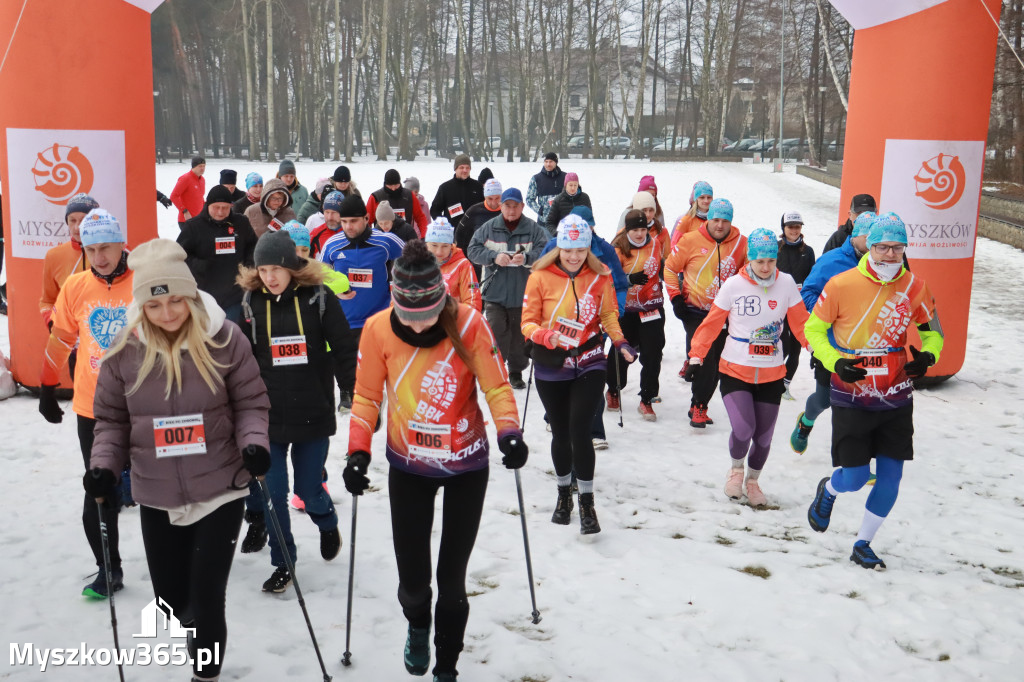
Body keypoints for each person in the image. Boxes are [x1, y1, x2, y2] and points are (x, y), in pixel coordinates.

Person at [85, 238, 271, 681]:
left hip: (220, 487)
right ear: (141, 308)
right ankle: (192, 623)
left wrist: (255, 444)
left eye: (175, 301)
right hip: (157, 491)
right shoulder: (124, 351)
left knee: (209, 598)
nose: (167, 314)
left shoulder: (224, 339)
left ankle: (204, 672)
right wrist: (104, 468)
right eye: (154, 306)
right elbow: (111, 420)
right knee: (171, 597)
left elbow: (251, 404)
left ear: (190, 296)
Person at [342, 240, 527, 682]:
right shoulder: (377, 329)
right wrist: (357, 451)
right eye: (410, 314)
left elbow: (498, 387)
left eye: (428, 314)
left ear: (441, 300)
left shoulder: (469, 323)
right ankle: (417, 625)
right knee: (413, 581)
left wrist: (509, 432)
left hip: (465, 463)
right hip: (409, 466)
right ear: (395, 301)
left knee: (451, 580)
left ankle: (447, 668)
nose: (420, 325)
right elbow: (366, 398)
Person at [805, 213, 943, 570]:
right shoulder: (841, 284)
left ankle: (863, 542)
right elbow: (814, 330)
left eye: (898, 248)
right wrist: (835, 361)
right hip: (852, 391)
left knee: (891, 477)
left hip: (897, 393)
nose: (889, 255)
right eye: (882, 247)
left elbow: (933, 333)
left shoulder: (915, 287)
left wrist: (928, 356)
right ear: (871, 245)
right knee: (853, 477)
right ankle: (830, 489)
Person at [236, 231, 349, 592]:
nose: (269, 277)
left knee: (309, 489)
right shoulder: (251, 302)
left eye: (276, 269)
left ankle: (327, 521)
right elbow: (240, 358)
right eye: (263, 269)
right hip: (267, 415)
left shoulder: (319, 298)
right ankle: (283, 562)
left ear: (291, 266)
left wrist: (352, 389)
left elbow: (345, 347)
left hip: (312, 409)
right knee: (274, 494)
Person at [37, 209, 133, 598]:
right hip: (95, 408)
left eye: (106, 247)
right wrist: (47, 387)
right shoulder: (75, 286)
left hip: (145, 405)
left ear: (121, 243)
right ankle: (108, 568)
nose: (100, 257)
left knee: (163, 491)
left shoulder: (144, 280)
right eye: (91, 249)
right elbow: (61, 339)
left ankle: (179, 563)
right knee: (99, 490)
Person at [522, 215, 635, 534]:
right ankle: (563, 496)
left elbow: (609, 314)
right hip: (551, 363)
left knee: (580, 430)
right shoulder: (540, 276)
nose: (574, 256)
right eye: (568, 249)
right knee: (560, 431)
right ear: (558, 247)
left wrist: (621, 342)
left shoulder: (601, 276)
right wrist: (545, 336)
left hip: (589, 360)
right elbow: (527, 322)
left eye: (581, 250)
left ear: (589, 247)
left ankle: (587, 502)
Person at [687, 228, 809, 506]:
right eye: (759, 262)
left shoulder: (787, 283)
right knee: (744, 429)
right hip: (735, 369)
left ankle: (753, 482)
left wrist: (817, 351)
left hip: (771, 371)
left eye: (771, 261)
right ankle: (736, 471)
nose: (766, 268)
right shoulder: (733, 286)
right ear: (749, 260)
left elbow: (801, 323)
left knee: (764, 438)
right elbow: (712, 324)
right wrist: (696, 356)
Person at [538, 205, 629, 450]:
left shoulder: (604, 250)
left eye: (588, 225)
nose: (582, 231)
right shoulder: (554, 247)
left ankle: (595, 430)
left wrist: (614, 311)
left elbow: (619, 283)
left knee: (591, 376)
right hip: (558, 333)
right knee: (560, 378)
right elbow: (540, 283)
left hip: (593, 328)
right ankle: (554, 417)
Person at [790, 211, 875, 454]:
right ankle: (806, 422)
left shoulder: (885, 265)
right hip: (831, 345)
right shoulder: (832, 261)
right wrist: (833, 314)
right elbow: (807, 294)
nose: (875, 247)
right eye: (870, 239)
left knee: (861, 404)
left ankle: (856, 459)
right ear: (856, 235)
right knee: (825, 399)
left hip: (868, 346)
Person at [665, 198, 748, 427]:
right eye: (715, 220)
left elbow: (750, 272)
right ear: (708, 218)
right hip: (695, 311)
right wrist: (675, 298)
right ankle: (700, 405)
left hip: (725, 314)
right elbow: (670, 268)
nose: (720, 225)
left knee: (719, 361)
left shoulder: (742, 243)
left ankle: (698, 403)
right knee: (704, 358)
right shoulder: (690, 240)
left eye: (725, 221)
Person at [318, 193, 405, 409]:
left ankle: (379, 398)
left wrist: (401, 288)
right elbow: (320, 274)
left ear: (367, 219)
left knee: (376, 365)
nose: (348, 226)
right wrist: (334, 291)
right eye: (344, 221)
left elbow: (416, 258)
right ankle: (347, 393)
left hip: (378, 317)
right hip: (344, 317)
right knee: (344, 362)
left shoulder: (385, 241)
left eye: (354, 221)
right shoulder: (333, 244)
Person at [467, 188, 549, 390]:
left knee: (518, 335)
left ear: (522, 206)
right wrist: (493, 257)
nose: (511, 210)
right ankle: (495, 369)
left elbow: (546, 251)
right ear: (501, 207)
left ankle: (515, 371)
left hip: (524, 292)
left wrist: (528, 258)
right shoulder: (489, 228)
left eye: (515, 206)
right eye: (507, 206)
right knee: (496, 332)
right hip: (495, 293)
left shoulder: (533, 229)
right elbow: (472, 250)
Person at [607, 209, 665, 421]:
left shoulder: (656, 244)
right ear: (627, 230)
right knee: (622, 352)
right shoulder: (618, 249)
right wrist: (630, 279)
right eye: (635, 230)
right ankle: (614, 388)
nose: (640, 234)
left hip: (651, 307)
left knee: (653, 354)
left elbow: (661, 267)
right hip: (626, 309)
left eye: (643, 229)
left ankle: (647, 398)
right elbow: (610, 280)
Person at [177, 185, 258, 323]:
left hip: (235, 294)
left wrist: (248, 266)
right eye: (216, 207)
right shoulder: (193, 226)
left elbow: (253, 246)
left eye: (225, 208)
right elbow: (178, 256)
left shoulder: (241, 223)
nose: (220, 212)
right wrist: (199, 266)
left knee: (232, 336)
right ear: (207, 205)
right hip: (204, 295)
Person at [39, 193, 99, 329]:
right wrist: (51, 322)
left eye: (84, 220)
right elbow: (47, 301)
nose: (77, 227)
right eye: (72, 220)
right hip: (70, 338)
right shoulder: (54, 255)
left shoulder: (113, 252)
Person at [776, 210, 816, 400]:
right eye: (790, 227)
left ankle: (785, 385)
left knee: (796, 348)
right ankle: (772, 377)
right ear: (783, 228)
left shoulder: (807, 252)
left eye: (797, 227)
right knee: (781, 343)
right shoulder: (776, 248)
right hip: (778, 305)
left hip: (798, 306)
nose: (794, 230)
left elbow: (812, 279)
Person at [425, 217, 481, 311]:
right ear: (426, 244)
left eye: (445, 246)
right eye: (434, 245)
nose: (439, 252)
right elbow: (402, 297)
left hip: (452, 321)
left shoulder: (462, 265)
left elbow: (473, 301)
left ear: (451, 246)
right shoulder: (415, 263)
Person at [456, 178, 503, 281]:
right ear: (485, 196)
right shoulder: (474, 211)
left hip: (502, 263)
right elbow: (460, 236)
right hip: (477, 262)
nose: (494, 203)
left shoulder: (508, 211)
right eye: (490, 198)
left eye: (497, 198)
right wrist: (465, 259)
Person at [366, 168, 429, 237]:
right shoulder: (376, 197)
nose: (393, 189)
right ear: (385, 184)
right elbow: (366, 221)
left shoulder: (409, 196)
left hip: (405, 238)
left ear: (400, 183)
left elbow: (420, 217)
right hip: (383, 240)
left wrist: (424, 236)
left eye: (396, 185)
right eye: (390, 186)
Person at [431, 154, 484, 234]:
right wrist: (444, 225)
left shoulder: (478, 187)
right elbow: (435, 210)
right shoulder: (445, 188)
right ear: (455, 169)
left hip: (474, 234)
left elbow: (485, 208)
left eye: (467, 168)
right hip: (452, 234)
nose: (465, 170)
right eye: (461, 167)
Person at [525, 152, 565, 225]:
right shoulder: (536, 179)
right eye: (546, 162)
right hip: (544, 223)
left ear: (556, 162)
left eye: (551, 162)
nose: (548, 164)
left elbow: (574, 195)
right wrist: (540, 210)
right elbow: (529, 199)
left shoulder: (565, 177)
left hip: (563, 222)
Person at [671, 180, 713, 248]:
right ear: (696, 199)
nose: (706, 201)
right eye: (702, 197)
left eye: (709, 197)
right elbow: (674, 245)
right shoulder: (686, 219)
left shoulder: (715, 219)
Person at [170, 155, 206, 229]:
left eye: (204, 166)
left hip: (199, 220)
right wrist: (184, 211)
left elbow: (200, 197)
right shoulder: (185, 178)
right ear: (194, 166)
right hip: (186, 220)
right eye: (200, 166)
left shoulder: (202, 180)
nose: (202, 168)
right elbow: (174, 196)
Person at [309, 190, 345, 259]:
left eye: (334, 213)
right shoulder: (315, 234)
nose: (329, 217)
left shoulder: (350, 233)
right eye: (327, 212)